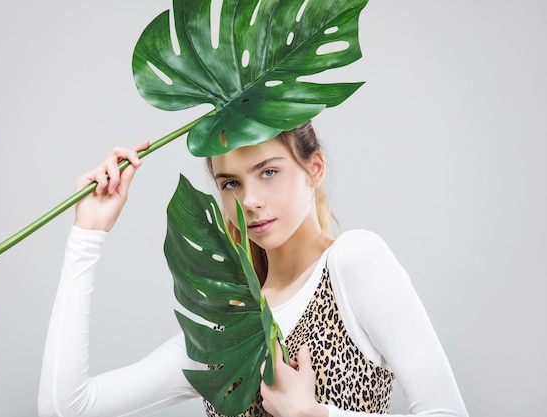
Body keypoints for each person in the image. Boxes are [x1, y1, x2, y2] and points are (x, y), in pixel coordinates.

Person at [37, 121, 469, 417]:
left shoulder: (352, 263)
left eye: (268, 172)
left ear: (313, 168)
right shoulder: (225, 328)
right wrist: (87, 234)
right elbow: (67, 408)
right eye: (231, 183)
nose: (250, 200)